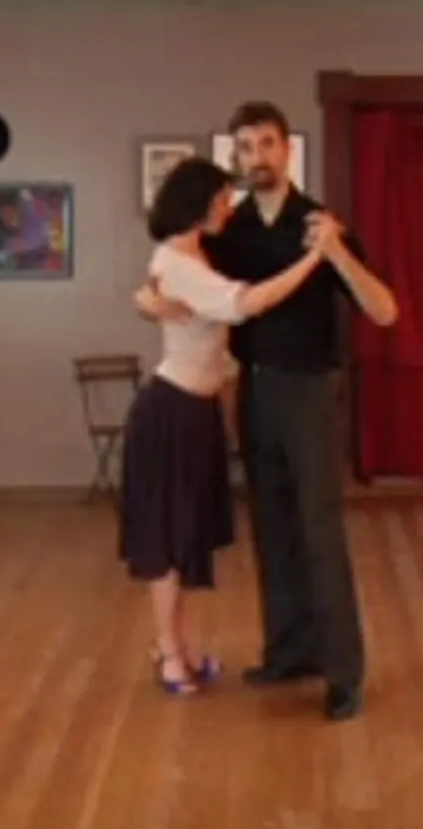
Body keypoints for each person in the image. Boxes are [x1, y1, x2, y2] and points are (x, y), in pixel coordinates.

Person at [135, 102, 399, 720]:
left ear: (287, 151)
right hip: (254, 392)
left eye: (267, 144)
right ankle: (289, 652)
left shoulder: (321, 224)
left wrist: (335, 254)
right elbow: (171, 272)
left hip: (309, 394)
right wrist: (144, 301)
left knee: (320, 533)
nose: (257, 157)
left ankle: (343, 673)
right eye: (246, 147)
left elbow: (384, 311)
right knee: (273, 529)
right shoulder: (231, 231)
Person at [121, 156, 339, 697]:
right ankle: (169, 653)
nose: (228, 207)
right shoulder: (177, 260)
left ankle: (179, 645)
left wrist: (146, 303)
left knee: (186, 537)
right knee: (168, 541)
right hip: (171, 411)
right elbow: (244, 304)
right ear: (198, 202)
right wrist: (316, 257)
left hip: (196, 411)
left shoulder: (198, 253)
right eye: (221, 199)